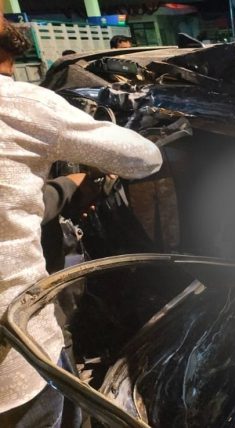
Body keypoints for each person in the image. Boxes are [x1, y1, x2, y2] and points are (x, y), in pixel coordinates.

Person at [0, 20, 162, 424]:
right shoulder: (23, 104)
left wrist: (62, 190)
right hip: (17, 359)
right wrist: (75, 183)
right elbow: (146, 158)